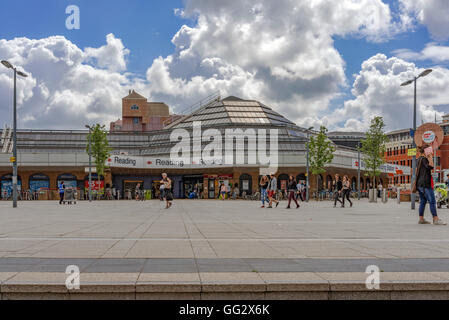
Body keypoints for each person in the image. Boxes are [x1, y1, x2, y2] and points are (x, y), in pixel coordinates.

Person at [415, 145, 446, 225]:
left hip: (419, 184)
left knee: (423, 201)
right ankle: (435, 219)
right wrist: (430, 158)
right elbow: (431, 166)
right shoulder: (424, 159)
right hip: (425, 184)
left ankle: (421, 219)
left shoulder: (418, 159)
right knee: (432, 201)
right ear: (426, 151)